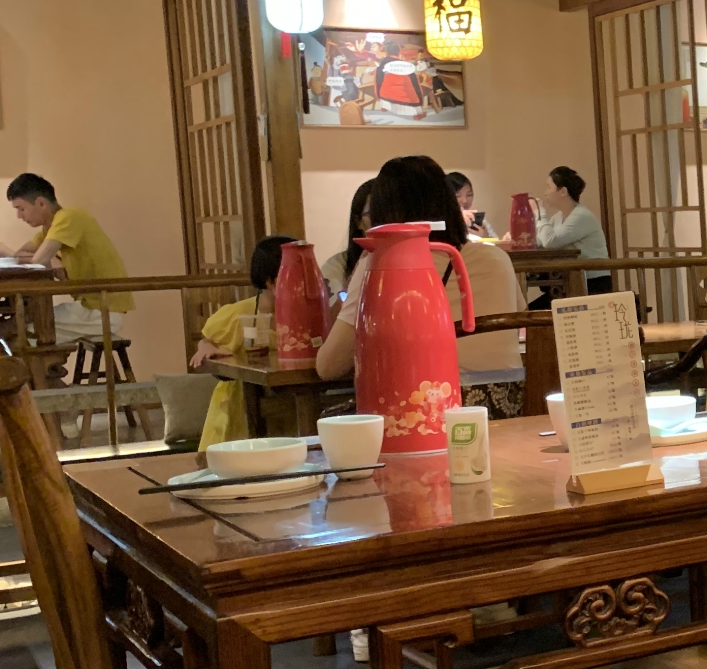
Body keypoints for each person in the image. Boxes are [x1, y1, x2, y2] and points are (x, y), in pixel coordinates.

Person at [317, 156, 524, 415]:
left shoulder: (381, 262)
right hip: (509, 407)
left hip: (435, 412)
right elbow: (517, 324)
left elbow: (329, 366)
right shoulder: (497, 258)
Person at [190, 234, 294, 449]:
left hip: (289, 398)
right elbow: (206, 341)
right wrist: (207, 348)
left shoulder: (308, 312)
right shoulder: (238, 315)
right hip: (241, 405)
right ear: (269, 280)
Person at [6, 173, 132, 342]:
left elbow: (37, 261)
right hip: (88, 306)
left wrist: (48, 258)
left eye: (21, 209)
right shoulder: (49, 229)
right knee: (22, 325)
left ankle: (45, 360)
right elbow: (18, 255)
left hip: (102, 310)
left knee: (24, 332)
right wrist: (53, 259)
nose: (19, 216)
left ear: (41, 203)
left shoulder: (69, 217)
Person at [510, 166, 610, 303]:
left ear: (563, 191)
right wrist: (517, 239)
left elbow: (550, 241)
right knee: (530, 310)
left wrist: (540, 213)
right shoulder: (558, 217)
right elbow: (541, 241)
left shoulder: (581, 216)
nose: (545, 193)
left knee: (534, 312)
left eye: (549, 187)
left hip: (592, 284)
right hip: (568, 282)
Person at [321, 179, 376, 299]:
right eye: (373, 214)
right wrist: (350, 287)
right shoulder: (336, 266)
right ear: (358, 222)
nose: (381, 222)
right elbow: (330, 310)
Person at [447, 171, 487, 236]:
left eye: (469, 195)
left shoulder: (478, 219)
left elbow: (497, 241)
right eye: (458, 196)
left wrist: (485, 237)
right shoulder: (442, 222)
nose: (465, 201)